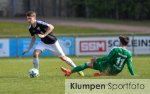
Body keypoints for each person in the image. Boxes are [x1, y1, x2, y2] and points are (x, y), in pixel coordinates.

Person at [22, 11, 84, 76]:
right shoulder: (30, 28)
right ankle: (36, 71)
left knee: (63, 58)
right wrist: (28, 49)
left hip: (53, 42)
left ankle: (77, 69)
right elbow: (33, 38)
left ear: (34, 17)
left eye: (30, 18)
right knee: (35, 54)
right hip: (43, 43)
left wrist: (44, 35)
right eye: (27, 18)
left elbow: (52, 27)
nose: (28, 20)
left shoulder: (40, 23)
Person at [61, 35, 134, 76]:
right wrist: (133, 75)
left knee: (88, 64)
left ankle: (70, 72)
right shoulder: (129, 53)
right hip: (116, 71)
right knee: (106, 68)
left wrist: (97, 59)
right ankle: (101, 74)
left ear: (120, 42)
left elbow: (107, 58)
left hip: (108, 67)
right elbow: (129, 66)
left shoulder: (116, 49)